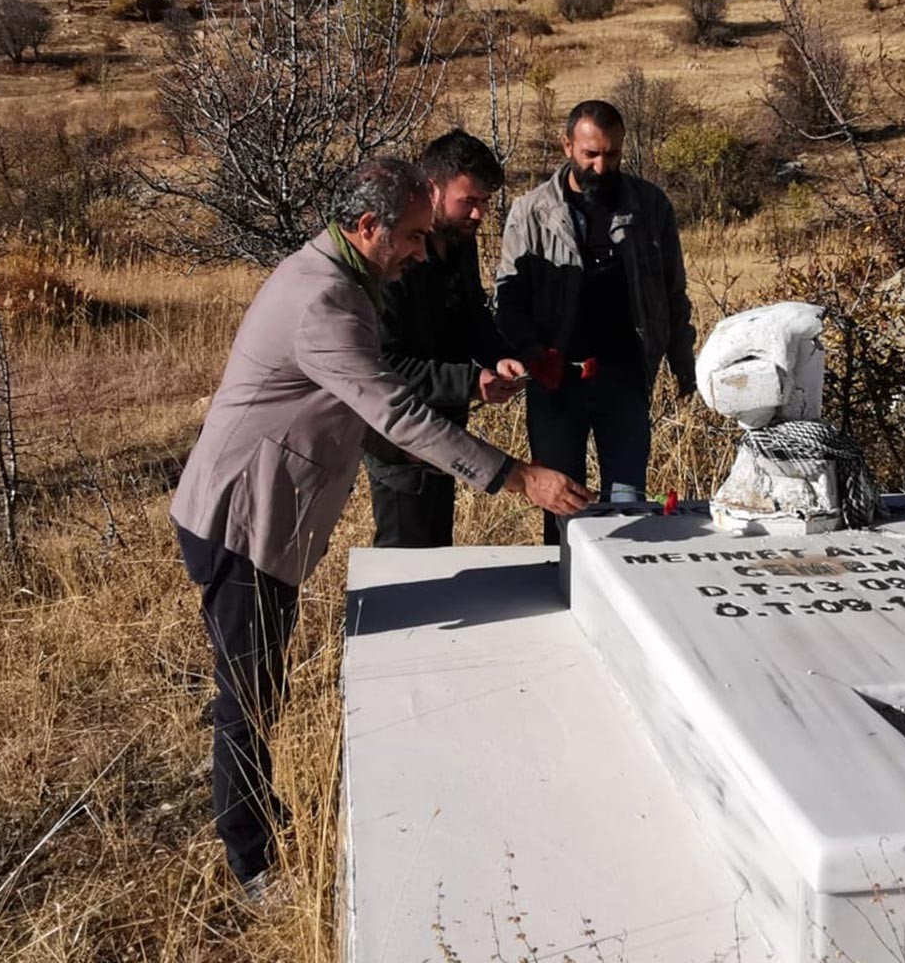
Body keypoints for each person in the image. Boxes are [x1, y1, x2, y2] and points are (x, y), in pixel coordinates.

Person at [169, 157, 591, 900]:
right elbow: (394, 412)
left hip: (267, 520)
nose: (423, 253)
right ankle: (254, 864)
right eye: (413, 237)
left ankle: (257, 814)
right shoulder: (324, 302)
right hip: (241, 520)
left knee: (258, 685)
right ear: (367, 229)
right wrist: (517, 476)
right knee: (246, 695)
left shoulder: (343, 278)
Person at [495, 99, 697, 543]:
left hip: (625, 379)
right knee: (561, 508)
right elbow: (507, 298)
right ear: (567, 144)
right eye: (590, 154)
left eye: (612, 154)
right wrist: (531, 352)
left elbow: (672, 293)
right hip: (556, 383)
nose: (601, 166)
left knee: (628, 508)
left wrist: (684, 363)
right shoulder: (530, 212)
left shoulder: (651, 207)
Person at [365, 130, 527, 549]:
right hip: (398, 441)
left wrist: (500, 357)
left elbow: (471, 316)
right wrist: (471, 383)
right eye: (468, 201)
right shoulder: (391, 256)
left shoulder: (459, 243)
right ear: (432, 190)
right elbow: (383, 366)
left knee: (436, 554)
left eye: (485, 203)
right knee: (405, 563)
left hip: (443, 435)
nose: (478, 215)